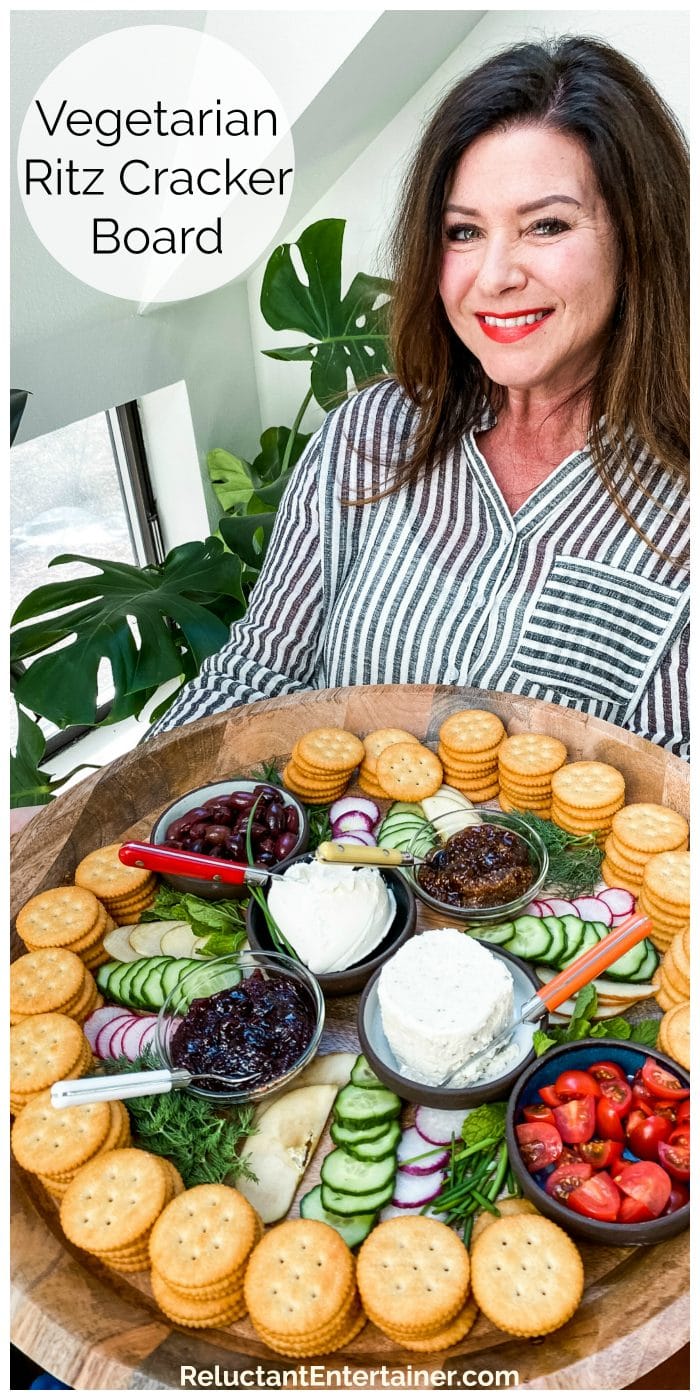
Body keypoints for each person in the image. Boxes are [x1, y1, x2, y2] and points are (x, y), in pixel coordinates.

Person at [151, 36, 689, 757]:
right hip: (327, 870)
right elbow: (258, 675)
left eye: (547, 225)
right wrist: (99, 816)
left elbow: (677, 787)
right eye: (462, 232)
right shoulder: (366, 438)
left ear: (639, 237)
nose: (492, 276)